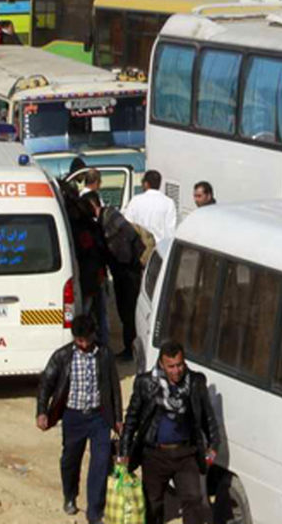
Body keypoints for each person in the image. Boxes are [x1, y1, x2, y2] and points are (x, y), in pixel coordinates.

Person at [119, 341, 220, 524]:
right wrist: (124, 451)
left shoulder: (195, 382)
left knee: (193, 501)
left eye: (179, 365)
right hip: (155, 455)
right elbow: (132, 419)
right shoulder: (146, 383)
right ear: (161, 364)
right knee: (153, 503)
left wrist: (214, 445)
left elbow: (206, 416)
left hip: (186, 454)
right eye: (171, 366)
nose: (176, 371)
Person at [36, 314, 123, 524]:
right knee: (70, 460)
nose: (83, 344)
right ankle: (70, 495)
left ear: (93, 335)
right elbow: (46, 384)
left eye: (86, 339)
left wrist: (118, 418)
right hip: (73, 417)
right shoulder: (62, 356)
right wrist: (42, 411)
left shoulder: (104, 354)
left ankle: (94, 512)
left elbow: (114, 387)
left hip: (99, 417)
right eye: (79, 340)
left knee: (101, 463)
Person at [100, 200, 146, 362]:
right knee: (127, 313)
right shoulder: (113, 218)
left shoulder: (112, 222)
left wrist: (122, 261)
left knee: (128, 313)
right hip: (128, 272)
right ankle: (130, 347)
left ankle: (130, 349)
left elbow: (129, 240)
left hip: (128, 274)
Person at [73, 169, 111, 347]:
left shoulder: (80, 229)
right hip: (93, 276)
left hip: (90, 276)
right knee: (97, 311)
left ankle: (94, 340)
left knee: (91, 311)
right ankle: (100, 341)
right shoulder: (90, 229)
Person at [122, 169, 178, 243]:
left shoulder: (136, 201)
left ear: (146, 184)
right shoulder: (169, 202)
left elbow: (128, 225)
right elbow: (170, 230)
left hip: (140, 247)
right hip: (159, 248)